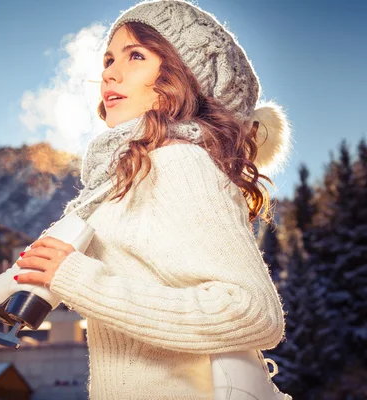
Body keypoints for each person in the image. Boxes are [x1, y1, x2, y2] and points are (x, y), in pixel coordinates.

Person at [15, 0, 292, 398]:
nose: (110, 72)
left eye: (136, 56)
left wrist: (78, 278)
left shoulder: (179, 162)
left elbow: (252, 312)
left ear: (185, 77)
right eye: (108, 59)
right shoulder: (123, 178)